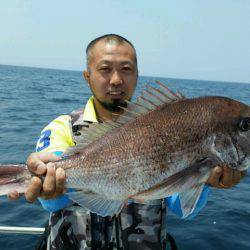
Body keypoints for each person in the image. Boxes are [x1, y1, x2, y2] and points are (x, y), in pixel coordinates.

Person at [9, 34, 245, 249]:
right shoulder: (62, 127)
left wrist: (206, 181)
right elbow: (51, 199)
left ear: (137, 74)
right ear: (87, 76)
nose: (116, 80)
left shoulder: (160, 121)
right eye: (104, 69)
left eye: (126, 69)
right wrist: (47, 178)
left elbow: (183, 209)